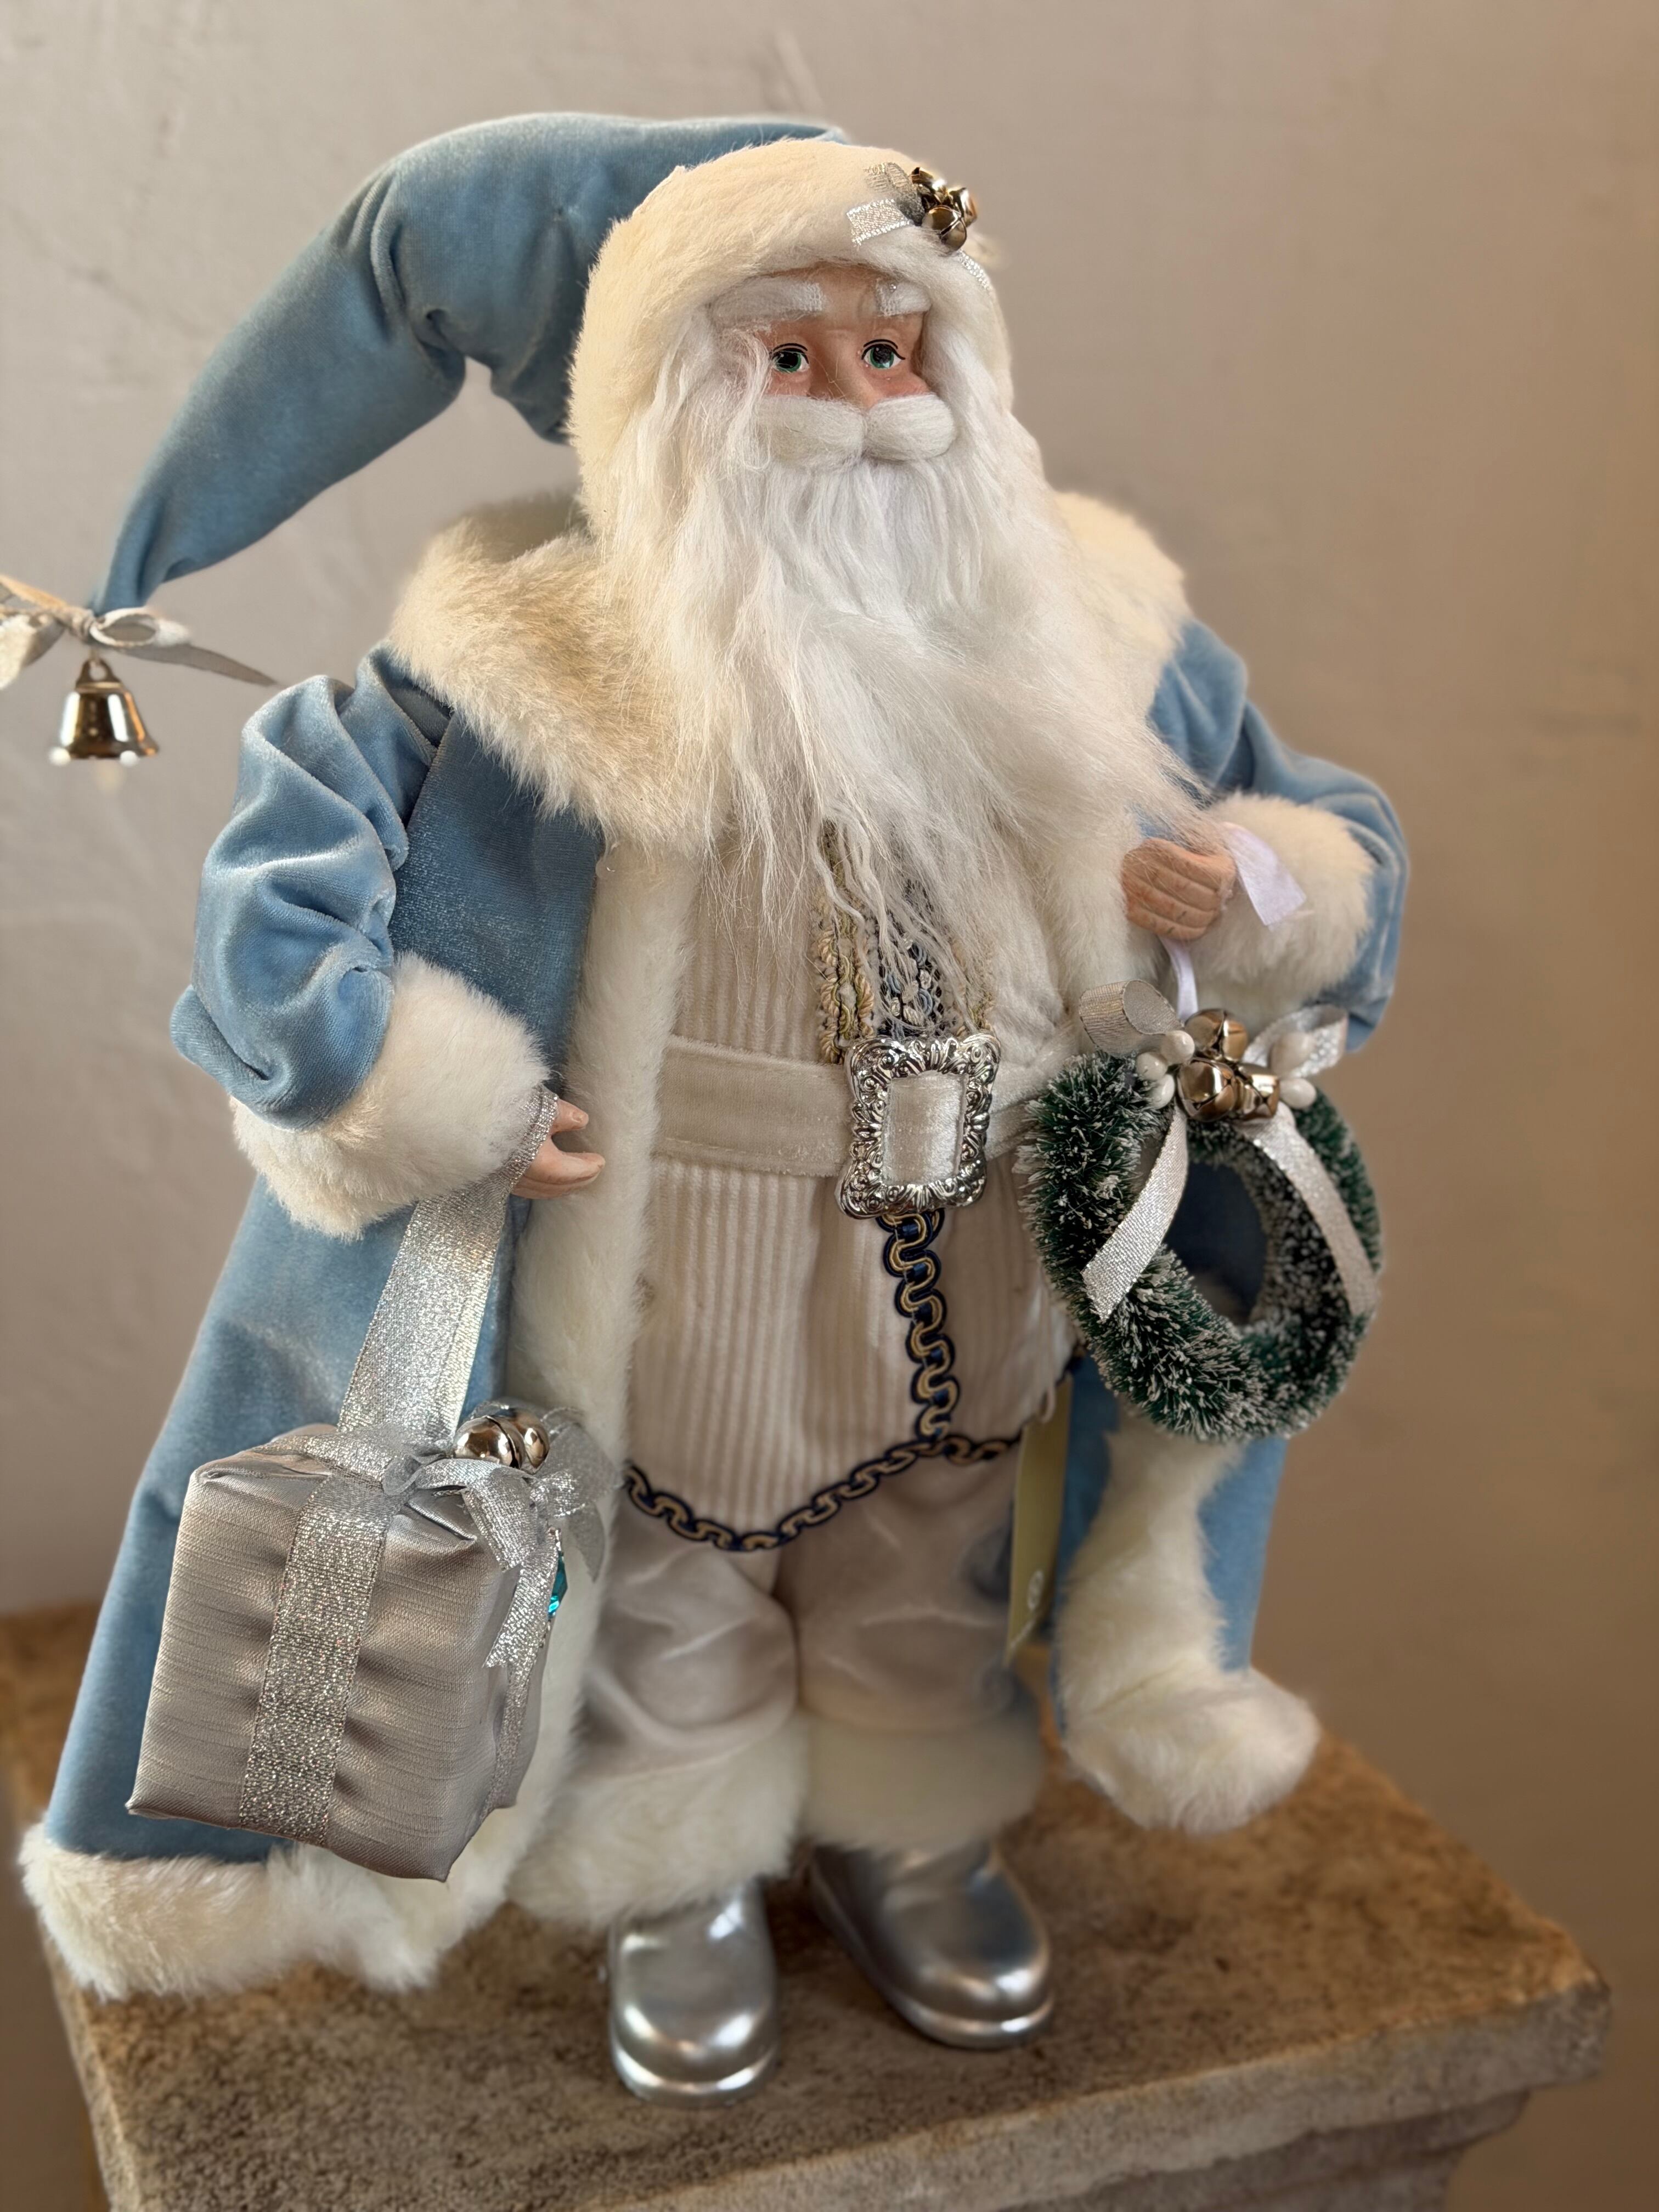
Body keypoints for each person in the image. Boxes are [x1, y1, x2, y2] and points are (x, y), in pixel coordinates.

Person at [19, 122, 1405, 2104]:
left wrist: (1254, 885)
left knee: (930, 1559)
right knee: (670, 1578)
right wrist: (423, 1086)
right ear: (661, 391)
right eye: (788, 356)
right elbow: (287, 890)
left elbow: (1328, 831)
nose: (857, 408)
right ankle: (677, 1870)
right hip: (674, 1255)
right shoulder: (523, 669)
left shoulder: (1098, 640)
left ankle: (909, 1825)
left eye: (891, 351)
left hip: (975, 1248)